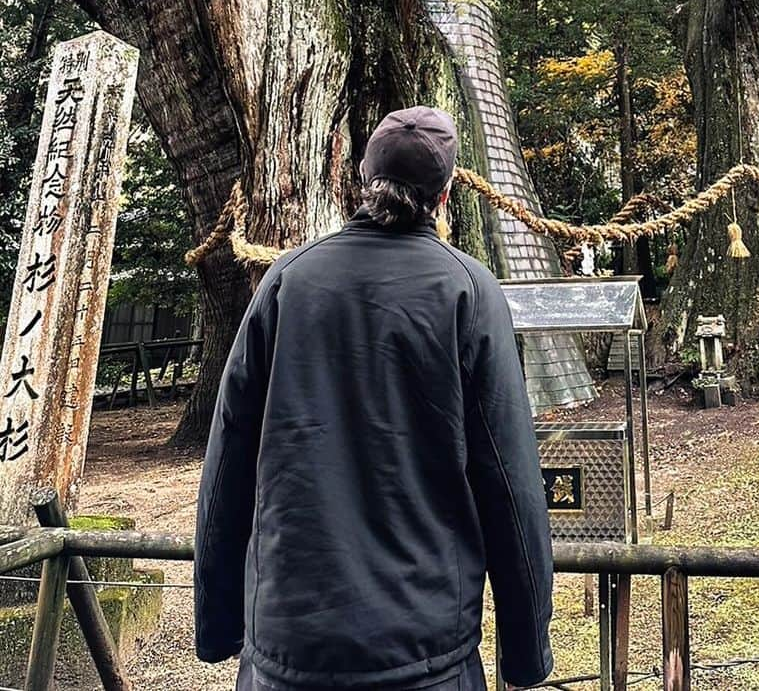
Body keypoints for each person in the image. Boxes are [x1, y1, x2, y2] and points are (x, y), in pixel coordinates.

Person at [195, 106, 554, 691]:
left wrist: (218, 625)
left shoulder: (287, 280)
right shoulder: (468, 290)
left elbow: (228, 459)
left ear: (362, 183)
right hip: (425, 651)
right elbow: (511, 484)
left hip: (287, 649)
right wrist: (525, 653)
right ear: (445, 197)